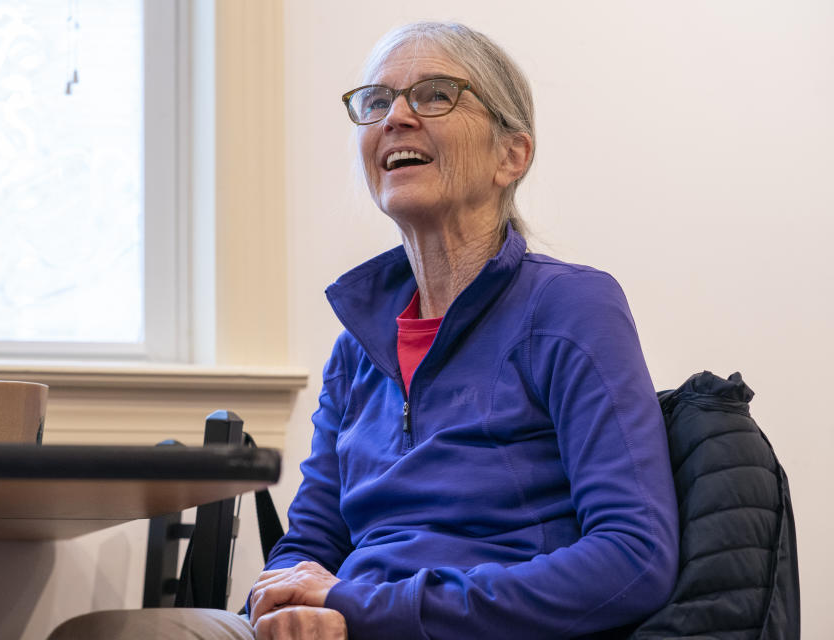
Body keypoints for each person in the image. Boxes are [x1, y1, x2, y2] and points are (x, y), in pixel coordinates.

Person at [49, 20, 678, 640]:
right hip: (348, 621)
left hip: (468, 627)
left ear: (511, 155)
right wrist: (290, 598)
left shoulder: (570, 305)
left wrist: (363, 606)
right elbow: (309, 543)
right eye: (377, 101)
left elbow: (634, 558)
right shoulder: (356, 350)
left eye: (435, 94)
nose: (395, 117)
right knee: (102, 632)